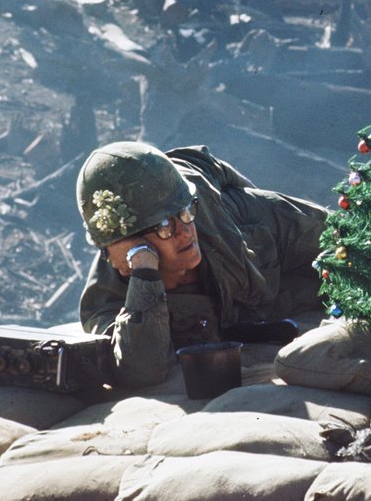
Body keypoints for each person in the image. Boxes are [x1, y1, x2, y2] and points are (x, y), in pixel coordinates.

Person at [76, 141, 327, 388]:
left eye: (185, 212)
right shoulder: (107, 302)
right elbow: (142, 369)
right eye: (164, 226)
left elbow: (344, 239)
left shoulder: (231, 216)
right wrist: (144, 273)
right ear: (126, 247)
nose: (185, 232)